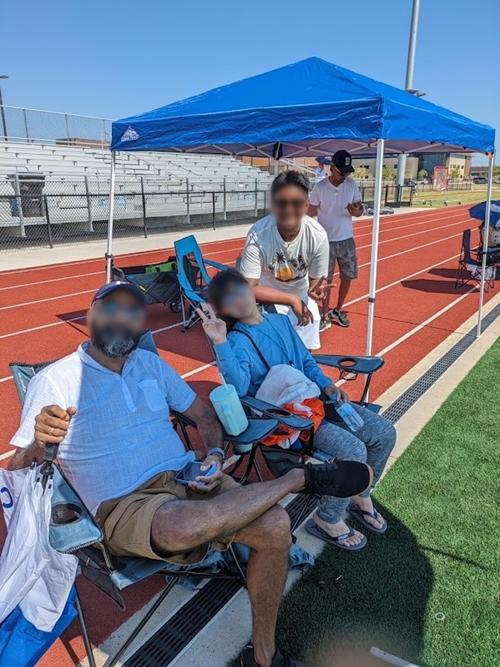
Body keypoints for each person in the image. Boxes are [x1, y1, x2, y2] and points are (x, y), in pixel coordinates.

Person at [8, 280, 372, 667]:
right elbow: (16, 469)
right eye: (111, 307)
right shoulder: (57, 381)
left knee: (276, 524)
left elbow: (204, 416)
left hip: (189, 477)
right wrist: (39, 444)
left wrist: (213, 453)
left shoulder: (150, 364)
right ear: (91, 315)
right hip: (127, 504)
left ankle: (264, 658)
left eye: (133, 311)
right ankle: (297, 479)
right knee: (179, 525)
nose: (121, 318)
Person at [201, 269, 396, 552]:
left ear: (250, 288)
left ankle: (361, 494)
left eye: (239, 290)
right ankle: (327, 518)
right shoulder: (237, 342)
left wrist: (328, 385)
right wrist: (220, 342)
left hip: (317, 398)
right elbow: (239, 389)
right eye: (228, 300)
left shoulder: (280, 321)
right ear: (225, 310)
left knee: (384, 433)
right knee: (354, 450)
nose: (239, 301)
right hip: (291, 417)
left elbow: (306, 361)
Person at [239, 170, 329, 350]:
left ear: (306, 205)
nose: (289, 210)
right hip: (267, 295)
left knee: (305, 349)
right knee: (274, 350)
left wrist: (316, 291)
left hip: (301, 294)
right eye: (282, 203)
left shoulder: (318, 236)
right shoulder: (257, 235)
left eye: (296, 203)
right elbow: (248, 288)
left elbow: (316, 282)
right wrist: (291, 300)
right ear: (273, 204)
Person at [308, 149, 364, 329]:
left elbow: (360, 209)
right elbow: (310, 212)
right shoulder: (320, 187)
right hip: (326, 242)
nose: (344, 176)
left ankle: (338, 310)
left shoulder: (351, 184)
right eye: (342, 172)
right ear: (332, 168)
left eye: (347, 172)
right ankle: (324, 315)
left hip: (347, 239)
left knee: (348, 276)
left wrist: (356, 211)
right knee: (325, 281)